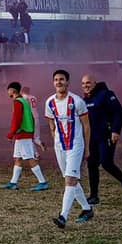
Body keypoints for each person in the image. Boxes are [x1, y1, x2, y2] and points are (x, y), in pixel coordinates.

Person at [45, 69, 94, 228]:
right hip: (60, 146)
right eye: (56, 80)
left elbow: (86, 126)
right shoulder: (50, 102)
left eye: (62, 79)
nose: (59, 82)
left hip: (76, 145)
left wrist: (86, 148)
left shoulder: (77, 101)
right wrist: (55, 141)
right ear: (53, 83)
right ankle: (87, 209)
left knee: (70, 179)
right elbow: (51, 125)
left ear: (68, 82)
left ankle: (63, 216)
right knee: (70, 179)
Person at [81, 74, 122, 205]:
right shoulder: (84, 100)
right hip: (91, 137)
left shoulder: (106, 94)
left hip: (106, 135)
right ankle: (94, 196)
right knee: (92, 164)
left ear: (95, 83)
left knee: (106, 163)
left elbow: (119, 112)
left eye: (88, 83)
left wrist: (115, 130)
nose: (85, 86)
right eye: (83, 83)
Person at [0, 82, 49, 191]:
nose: (8, 92)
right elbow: (30, 116)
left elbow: (17, 120)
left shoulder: (17, 102)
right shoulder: (24, 100)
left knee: (30, 158)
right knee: (17, 158)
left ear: (13, 91)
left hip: (23, 134)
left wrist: (10, 134)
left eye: (8, 90)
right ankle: (13, 183)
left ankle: (43, 182)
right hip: (23, 134)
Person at [21, 86, 45, 152]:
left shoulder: (23, 98)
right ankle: (40, 143)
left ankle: (36, 154)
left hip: (30, 118)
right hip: (36, 117)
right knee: (36, 137)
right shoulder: (33, 97)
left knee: (29, 137)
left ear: (22, 91)